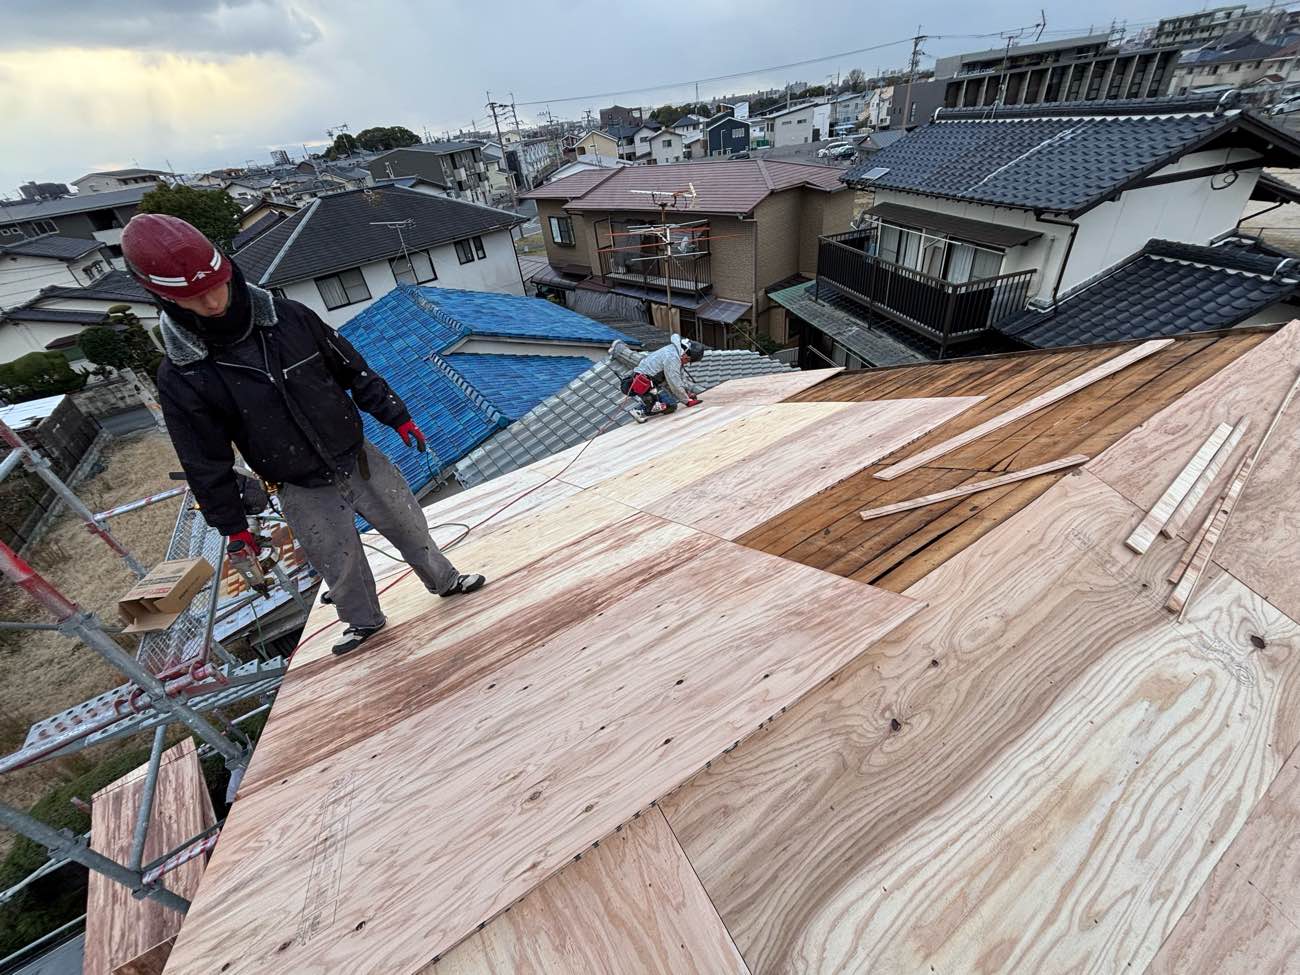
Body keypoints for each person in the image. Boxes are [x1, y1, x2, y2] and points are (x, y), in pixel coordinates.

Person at [121, 214, 485, 657]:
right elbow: (203, 459)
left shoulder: (289, 318)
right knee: (337, 558)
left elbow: (352, 367)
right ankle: (363, 622)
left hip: (357, 456)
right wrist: (233, 526)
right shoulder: (184, 373)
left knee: (409, 526)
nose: (214, 302)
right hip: (296, 481)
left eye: (218, 286)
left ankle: (446, 582)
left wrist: (396, 415)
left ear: (230, 272)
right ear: (164, 298)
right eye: (196, 298)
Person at [620, 334, 705, 422]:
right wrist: (687, 401)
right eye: (688, 360)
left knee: (670, 406)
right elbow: (674, 382)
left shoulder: (675, 351)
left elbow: (680, 375)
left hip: (649, 383)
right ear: (686, 354)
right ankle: (640, 411)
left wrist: (687, 392)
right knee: (669, 404)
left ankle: (650, 405)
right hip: (643, 384)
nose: (687, 363)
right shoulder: (672, 358)